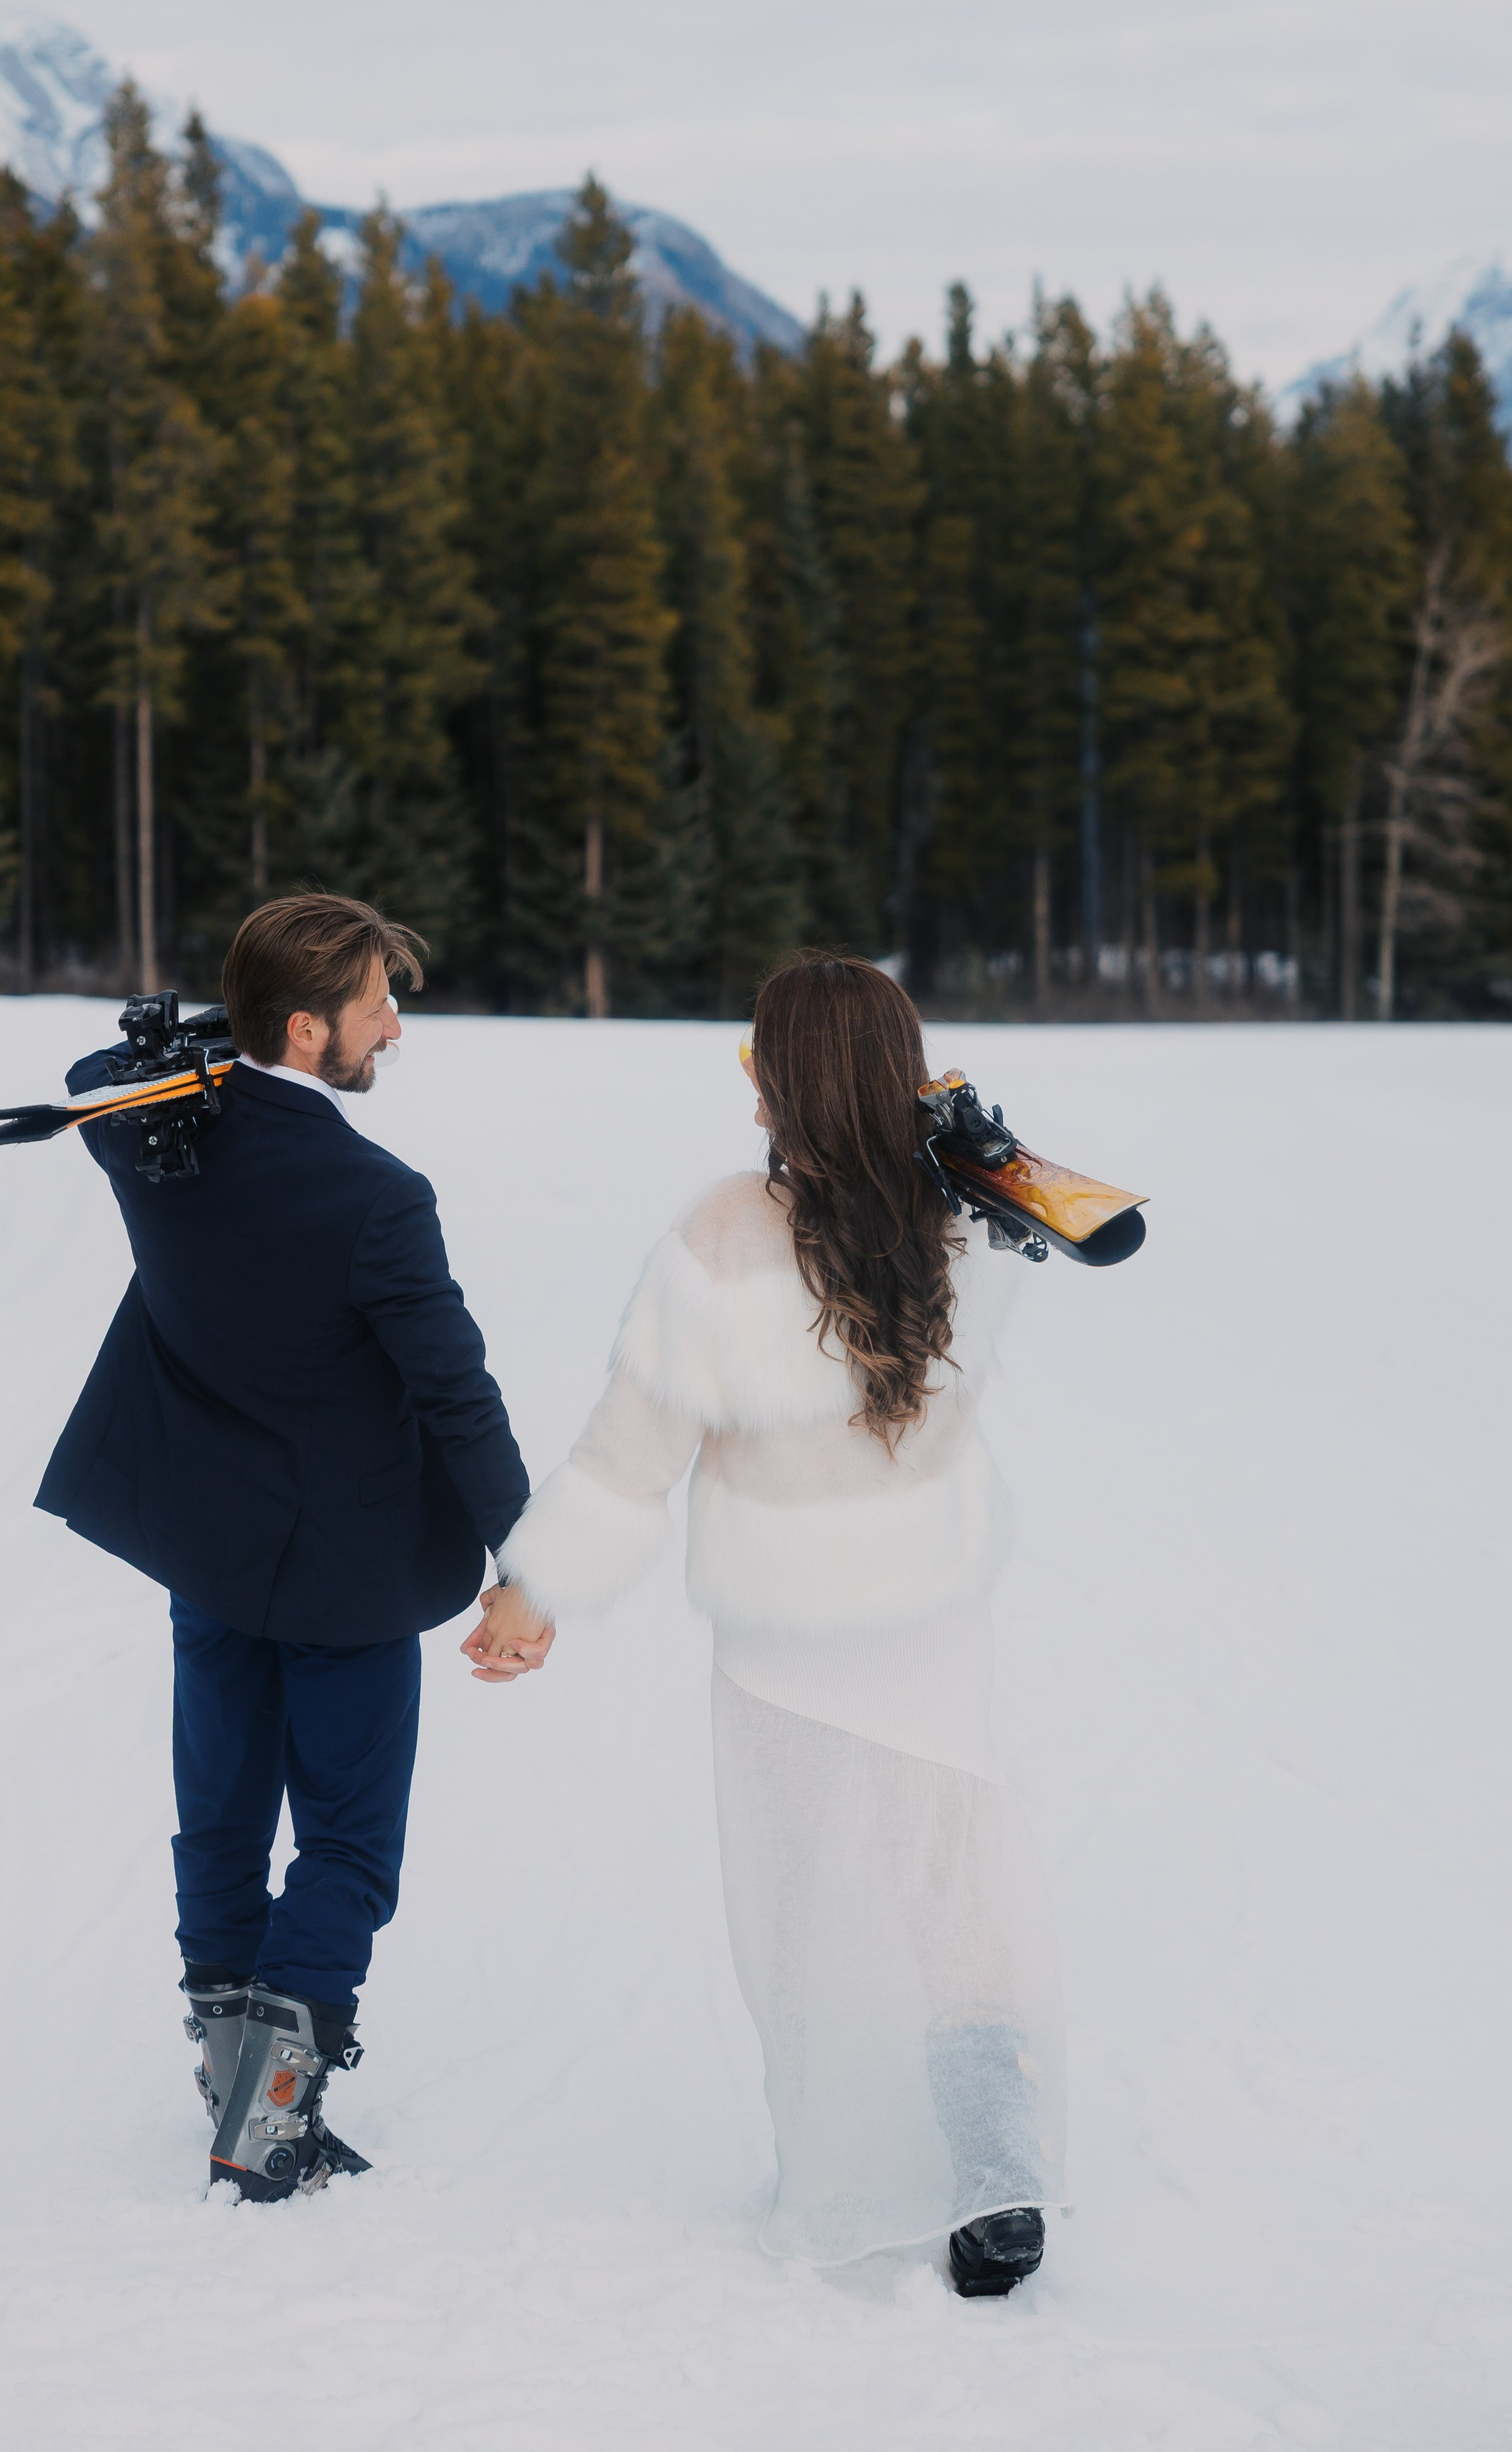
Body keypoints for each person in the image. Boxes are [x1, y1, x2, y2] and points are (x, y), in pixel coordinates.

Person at [468, 953, 1066, 2296]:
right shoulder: (970, 1214)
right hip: (931, 1622)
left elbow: (632, 1456)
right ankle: (994, 2179)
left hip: (789, 1640)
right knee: (948, 1886)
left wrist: (531, 1588)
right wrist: (986, 1153)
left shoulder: (725, 1235)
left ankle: (841, 2167)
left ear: (776, 1081)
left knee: (803, 1907)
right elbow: (1046, 1244)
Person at [38, 893, 533, 2202]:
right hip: (345, 1570)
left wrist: (231, 1030)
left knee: (223, 1810)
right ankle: (269, 2112)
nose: (397, 1030)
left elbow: (95, 1073)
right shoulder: (375, 1196)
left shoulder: (148, 1132)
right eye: (379, 1005)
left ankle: (228, 2065)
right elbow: (455, 1390)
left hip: (209, 1546)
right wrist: (525, 1559)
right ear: (310, 1029)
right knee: (350, 1847)